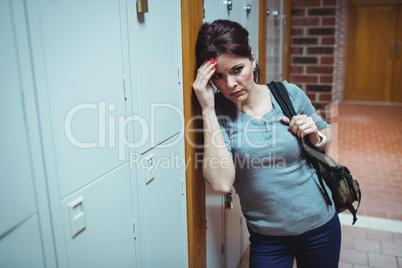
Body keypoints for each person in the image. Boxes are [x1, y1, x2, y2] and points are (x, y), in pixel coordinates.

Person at [192, 19, 341, 268]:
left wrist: (316, 135)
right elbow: (220, 183)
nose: (230, 85)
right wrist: (207, 109)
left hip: (321, 227)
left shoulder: (288, 94)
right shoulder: (217, 114)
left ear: (253, 58)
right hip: (268, 240)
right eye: (218, 76)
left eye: (237, 69)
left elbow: (326, 137)